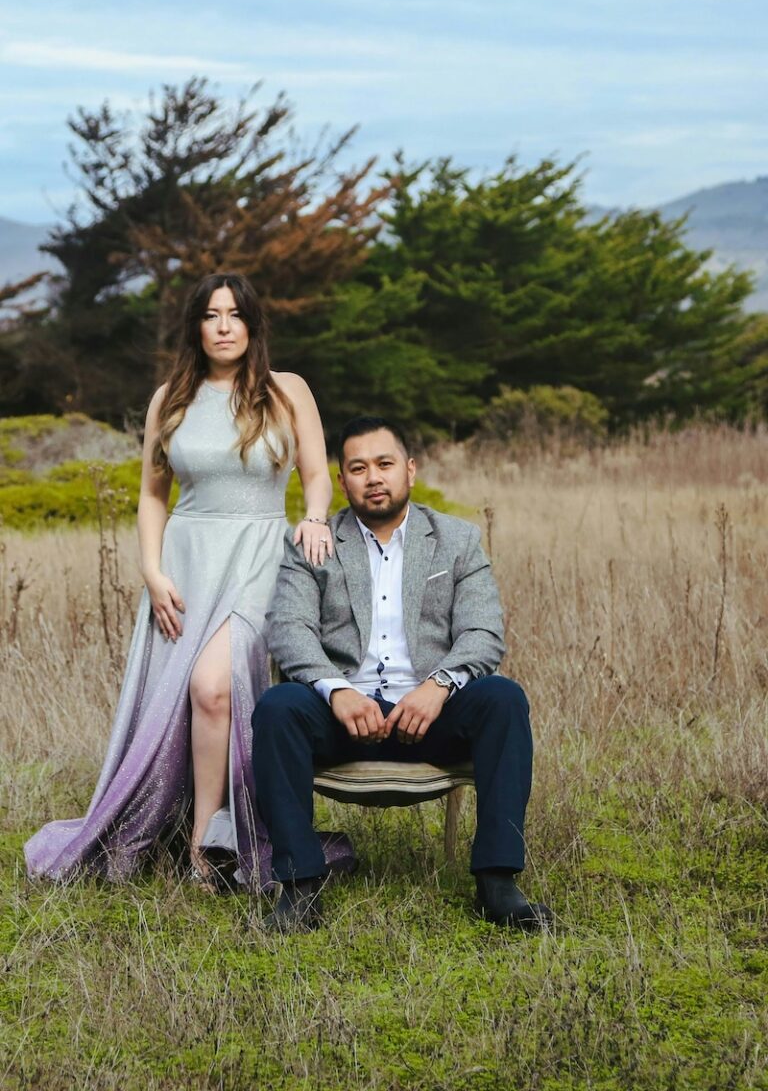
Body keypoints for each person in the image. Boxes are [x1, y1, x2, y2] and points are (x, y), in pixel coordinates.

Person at [25, 273, 355, 891]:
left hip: (260, 554)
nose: (224, 325)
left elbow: (317, 475)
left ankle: (216, 838)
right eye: (211, 315)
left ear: (252, 325)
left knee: (213, 687)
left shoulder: (287, 392)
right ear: (196, 327)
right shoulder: (169, 397)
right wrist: (151, 571)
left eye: (235, 314)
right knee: (192, 696)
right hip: (186, 558)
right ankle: (201, 845)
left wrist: (313, 518)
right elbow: (153, 496)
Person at [252, 415, 554, 930]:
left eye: (385, 464)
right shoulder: (313, 543)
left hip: (430, 718)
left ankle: (498, 885)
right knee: (278, 707)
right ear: (342, 480)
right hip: (343, 719)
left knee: (503, 698)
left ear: (409, 471)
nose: (374, 477)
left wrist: (439, 686)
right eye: (358, 468)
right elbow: (289, 632)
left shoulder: (456, 540)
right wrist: (337, 691)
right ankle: (300, 888)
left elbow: (484, 635)